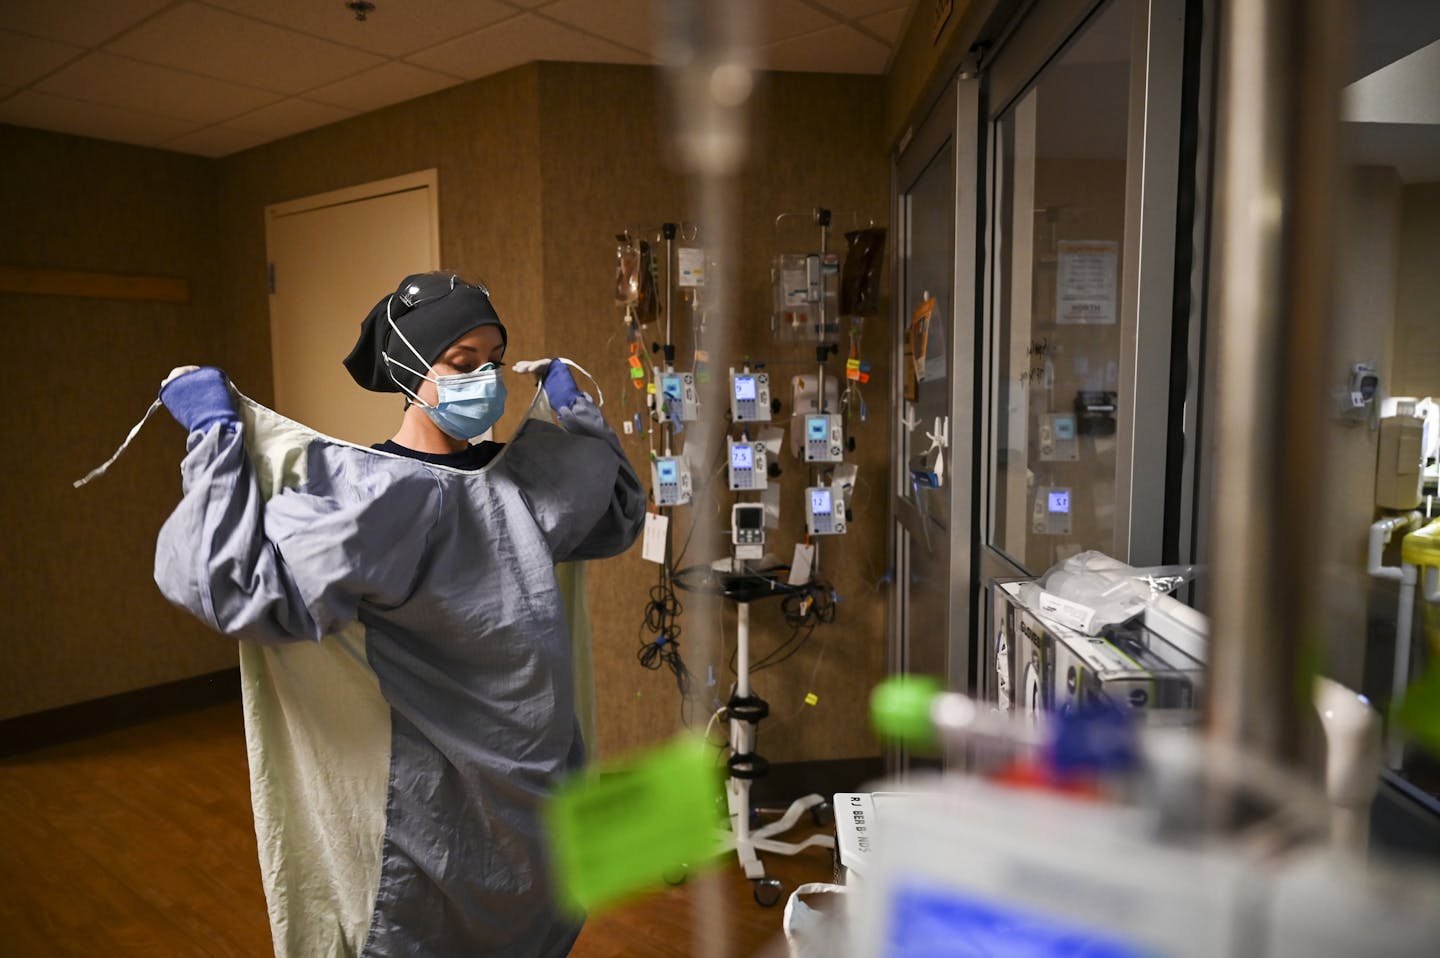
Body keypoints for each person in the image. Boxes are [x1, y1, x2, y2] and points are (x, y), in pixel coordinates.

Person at [154, 271, 645, 957]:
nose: (487, 379)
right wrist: (215, 439)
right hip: (436, 817)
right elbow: (234, 585)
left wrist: (579, 413)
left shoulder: (520, 483)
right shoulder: (375, 500)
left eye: (494, 361)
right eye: (462, 361)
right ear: (408, 368)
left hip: (536, 806)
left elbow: (616, 511)